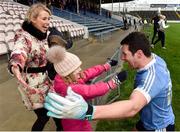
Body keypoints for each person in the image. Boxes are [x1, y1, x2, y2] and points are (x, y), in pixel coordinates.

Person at [44, 32, 175, 131]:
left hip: (158, 126)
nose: (122, 58)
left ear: (139, 54)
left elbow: (133, 107)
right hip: (149, 119)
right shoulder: (156, 59)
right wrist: (113, 81)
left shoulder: (151, 78)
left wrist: (89, 112)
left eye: (125, 54)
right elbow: (91, 89)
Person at [45, 44, 127, 131]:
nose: (80, 70)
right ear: (67, 75)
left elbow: (87, 73)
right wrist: (113, 82)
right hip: (76, 124)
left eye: (79, 67)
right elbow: (90, 90)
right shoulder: (70, 89)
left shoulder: (66, 78)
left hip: (75, 117)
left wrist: (105, 66)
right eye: (76, 70)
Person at [8, 3, 63, 131]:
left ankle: (61, 128)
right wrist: (15, 66)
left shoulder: (45, 35)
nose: (48, 22)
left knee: (55, 109)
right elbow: (18, 52)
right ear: (33, 19)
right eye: (44, 19)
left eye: (49, 19)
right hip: (31, 84)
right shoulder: (24, 36)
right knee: (43, 117)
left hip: (47, 80)